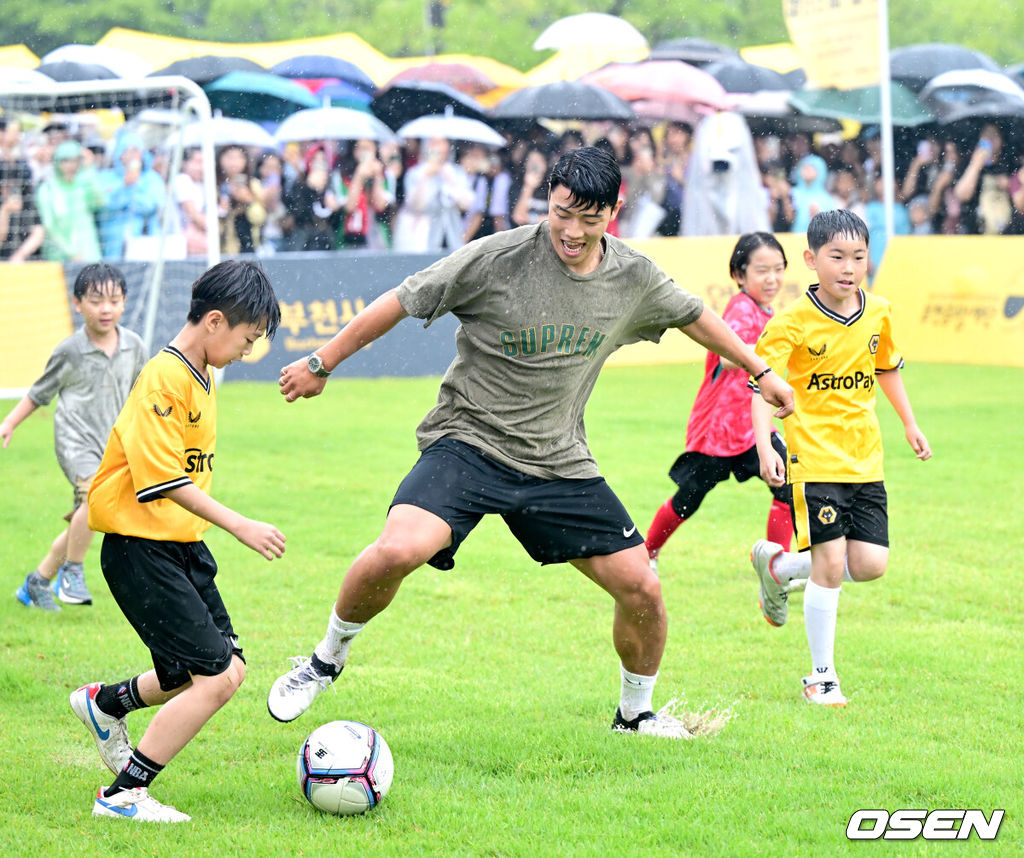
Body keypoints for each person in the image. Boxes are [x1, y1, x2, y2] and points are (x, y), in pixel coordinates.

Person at [266, 147, 794, 738]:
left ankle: (635, 715)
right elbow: (403, 298)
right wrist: (323, 361)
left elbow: (695, 315)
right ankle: (324, 660)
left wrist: (759, 370)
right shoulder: (499, 257)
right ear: (549, 199)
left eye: (588, 219)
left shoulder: (632, 276)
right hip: (467, 442)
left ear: (614, 212)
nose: (571, 231)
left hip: (556, 461)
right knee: (397, 551)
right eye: (561, 212)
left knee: (641, 585)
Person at [71, 260, 284, 823]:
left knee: (228, 668)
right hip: (140, 548)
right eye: (247, 337)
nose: (248, 349)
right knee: (212, 680)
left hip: (179, 545)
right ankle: (123, 796)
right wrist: (240, 524)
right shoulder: (164, 377)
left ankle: (105, 704)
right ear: (214, 322)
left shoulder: (202, 372)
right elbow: (160, 480)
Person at [749, 210, 931, 707]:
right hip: (814, 460)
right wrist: (766, 446)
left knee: (870, 564)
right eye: (837, 257)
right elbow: (761, 388)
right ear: (811, 260)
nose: (849, 268)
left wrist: (910, 424)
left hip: (865, 460)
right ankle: (820, 677)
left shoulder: (879, 311)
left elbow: (886, 368)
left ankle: (782, 568)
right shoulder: (790, 323)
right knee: (830, 565)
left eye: (858, 256)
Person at [645, 233, 795, 574]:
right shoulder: (741, 308)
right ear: (739, 275)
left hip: (752, 425)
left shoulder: (765, 309)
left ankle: (777, 570)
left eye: (778, 269)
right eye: (762, 270)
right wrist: (762, 358)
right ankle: (646, 553)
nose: (772, 278)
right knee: (689, 497)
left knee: (789, 481)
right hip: (719, 430)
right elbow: (729, 360)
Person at [4, 264, 146, 610]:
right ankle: (72, 572)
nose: (106, 309)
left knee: (89, 519)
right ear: (77, 303)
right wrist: (9, 423)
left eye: (114, 300)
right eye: (96, 301)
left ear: (125, 303)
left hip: (112, 445)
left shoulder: (134, 346)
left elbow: (143, 396)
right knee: (93, 503)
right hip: (75, 442)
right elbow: (39, 393)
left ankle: (37, 582)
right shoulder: (69, 350)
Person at [392, 136, 474, 252]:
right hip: (422, 237)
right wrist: (425, 178)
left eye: (441, 143)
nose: (437, 148)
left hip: (451, 234)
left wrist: (451, 181)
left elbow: (466, 204)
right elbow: (415, 205)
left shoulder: (456, 172)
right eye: (433, 143)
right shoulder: (415, 173)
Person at [97, 131, 166, 260]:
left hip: (145, 241)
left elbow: (153, 205)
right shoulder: (105, 177)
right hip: (111, 244)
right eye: (127, 151)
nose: (132, 155)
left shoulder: (152, 178)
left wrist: (131, 192)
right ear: (119, 154)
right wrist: (124, 187)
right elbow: (102, 204)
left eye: (135, 150)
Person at [35, 140, 105, 263]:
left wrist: (90, 169)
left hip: (89, 253)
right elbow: (50, 225)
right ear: (57, 162)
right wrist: (71, 252)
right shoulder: (48, 188)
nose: (70, 166)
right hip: (59, 256)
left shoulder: (83, 185)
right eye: (65, 161)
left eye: (75, 161)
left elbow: (99, 202)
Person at [0, 117, 45, 262]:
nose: (19, 136)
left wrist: (20, 255)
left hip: (23, 259)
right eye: (15, 131)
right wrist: (5, 211)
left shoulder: (22, 168)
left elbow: (39, 229)